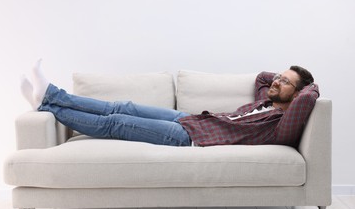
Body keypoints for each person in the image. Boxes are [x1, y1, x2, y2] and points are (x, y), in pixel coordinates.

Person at [21, 60, 319, 147]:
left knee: (117, 123)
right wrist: (283, 79)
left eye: (285, 81)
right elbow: (261, 78)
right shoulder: (263, 102)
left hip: (191, 137)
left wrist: (310, 86)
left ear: (295, 95)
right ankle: (51, 95)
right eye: (280, 76)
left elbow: (308, 98)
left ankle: (49, 106)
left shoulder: (281, 125)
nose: (276, 81)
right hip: (192, 119)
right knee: (122, 107)